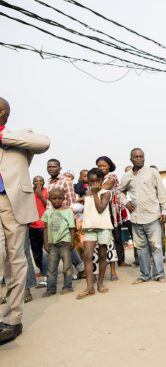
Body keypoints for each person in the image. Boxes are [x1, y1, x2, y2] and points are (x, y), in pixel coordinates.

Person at [0, 96, 50, 344]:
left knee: (15, 262)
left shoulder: (20, 137)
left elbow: (44, 143)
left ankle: (12, 319)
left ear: (4, 113)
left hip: (12, 204)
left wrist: (1, 137)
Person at [119, 148, 166, 284]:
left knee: (156, 246)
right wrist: (126, 202)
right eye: (136, 157)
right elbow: (119, 192)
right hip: (136, 218)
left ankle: (160, 274)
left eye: (141, 156)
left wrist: (164, 210)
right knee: (141, 248)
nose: (139, 158)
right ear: (131, 159)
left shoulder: (152, 173)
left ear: (144, 158)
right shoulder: (127, 176)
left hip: (152, 216)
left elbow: (162, 192)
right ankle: (144, 275)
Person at [45, 158, 85, 277]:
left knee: (65, 246)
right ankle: (79, 269)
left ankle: (53, 276)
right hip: (51, 218)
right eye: (49, 167)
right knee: (62, 247)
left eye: (54, 166)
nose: (51, 169)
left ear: (59, 168)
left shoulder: (66, 181)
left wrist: (69, 221)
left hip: (63, 219)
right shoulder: (48, 181)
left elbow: (71, 202)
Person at [77, 168, 113, 299]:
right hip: (90, 227)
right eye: (91, 181)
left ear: (102, 180)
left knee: (103, 256)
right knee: (87, 256)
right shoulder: (86, 193)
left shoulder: (106, 193)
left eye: (97, 181)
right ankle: (89, 287)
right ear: (88, 182)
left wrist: (96, 193)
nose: (94, 184)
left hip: (103, 227)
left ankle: (100, 284)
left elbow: (100, 208)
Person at [41, 188, 76, 297]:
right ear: (49, 199)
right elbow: (45, 228)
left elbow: (72, 227)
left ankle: (67, 286)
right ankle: (50, 289)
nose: (57, 201)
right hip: (52, 245)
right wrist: (45, 243)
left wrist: (72, 240)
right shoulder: (47, 212)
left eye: (59, 198)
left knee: (67, 267)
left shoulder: (68, 211)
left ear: (64, 198)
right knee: (51, 268)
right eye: (54, 198)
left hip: (65, 242)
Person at [95, 156, 123, 280]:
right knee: (99, 244)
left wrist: (93, 187)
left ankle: (113, 271)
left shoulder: (111, 178)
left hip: (110, 214)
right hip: (98, 212)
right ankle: (98, 272)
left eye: (104, 165)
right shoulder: (97, 179)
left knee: (110, 243)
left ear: (109, 166)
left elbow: (101, 189)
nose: (101, 168)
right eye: (99, 166)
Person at [29, 176, 48, 286]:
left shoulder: (46, 191)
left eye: (41, 180)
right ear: (33, 183)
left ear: (44, 182)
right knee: (36, 251)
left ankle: (46, 272)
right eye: (36, 181)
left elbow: (48, 205)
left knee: (46, 249)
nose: (38, 182)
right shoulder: (29, 194)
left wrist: (40, 194)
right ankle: (41, 269)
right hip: (32, 225)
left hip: (43, 225)